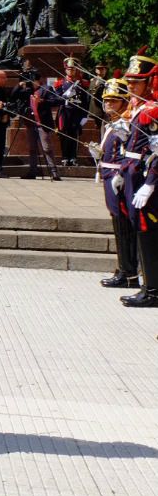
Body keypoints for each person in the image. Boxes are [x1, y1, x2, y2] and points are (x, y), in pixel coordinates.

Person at [121, 50, 158, 308]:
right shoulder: (140, 109)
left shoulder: (152, 112)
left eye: (136, 81)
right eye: (130, 81)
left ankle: (153, 290)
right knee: (141, 231)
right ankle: (149, 285)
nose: (130, 85)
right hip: (134, 174)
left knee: (148, 232)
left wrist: (151, 183)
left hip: (147, 179)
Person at [95, 79, 139, 290]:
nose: (108, 104)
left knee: (124, 226)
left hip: (118, 179)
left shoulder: (126, 124)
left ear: (123, 102)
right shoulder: (112, 123)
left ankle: (129, 272)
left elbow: (128, 155)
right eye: (106, 101)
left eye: (113, 100)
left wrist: (119, 174)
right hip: (108, 175)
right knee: (118, 224)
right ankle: (123, 268)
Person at [17, 69, 61, 180]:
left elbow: (57, 100)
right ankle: (33, 171)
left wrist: (43, 101)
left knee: (46, 148)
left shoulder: (46, 89)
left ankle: (54, 172)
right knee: (32, 148)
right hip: (30, 122)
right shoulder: (27, 91)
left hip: (43, 123)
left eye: (32, 81)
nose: (30, 83)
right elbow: (14, 95)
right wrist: (19, 86)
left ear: (37, 81)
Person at [56, 57, 90, 166]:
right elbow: (56, 99)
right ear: (65, 70)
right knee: (64, 135)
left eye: (73, 69)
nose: (71, 71)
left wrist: (85, 115)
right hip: (65, 112)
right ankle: (65, 157)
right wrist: (64, 96)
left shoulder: (81, 84)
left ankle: (73, 157)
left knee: (75, 135)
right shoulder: (60, 83)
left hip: (77, 112)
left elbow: (85, 101)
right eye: (69, 69)